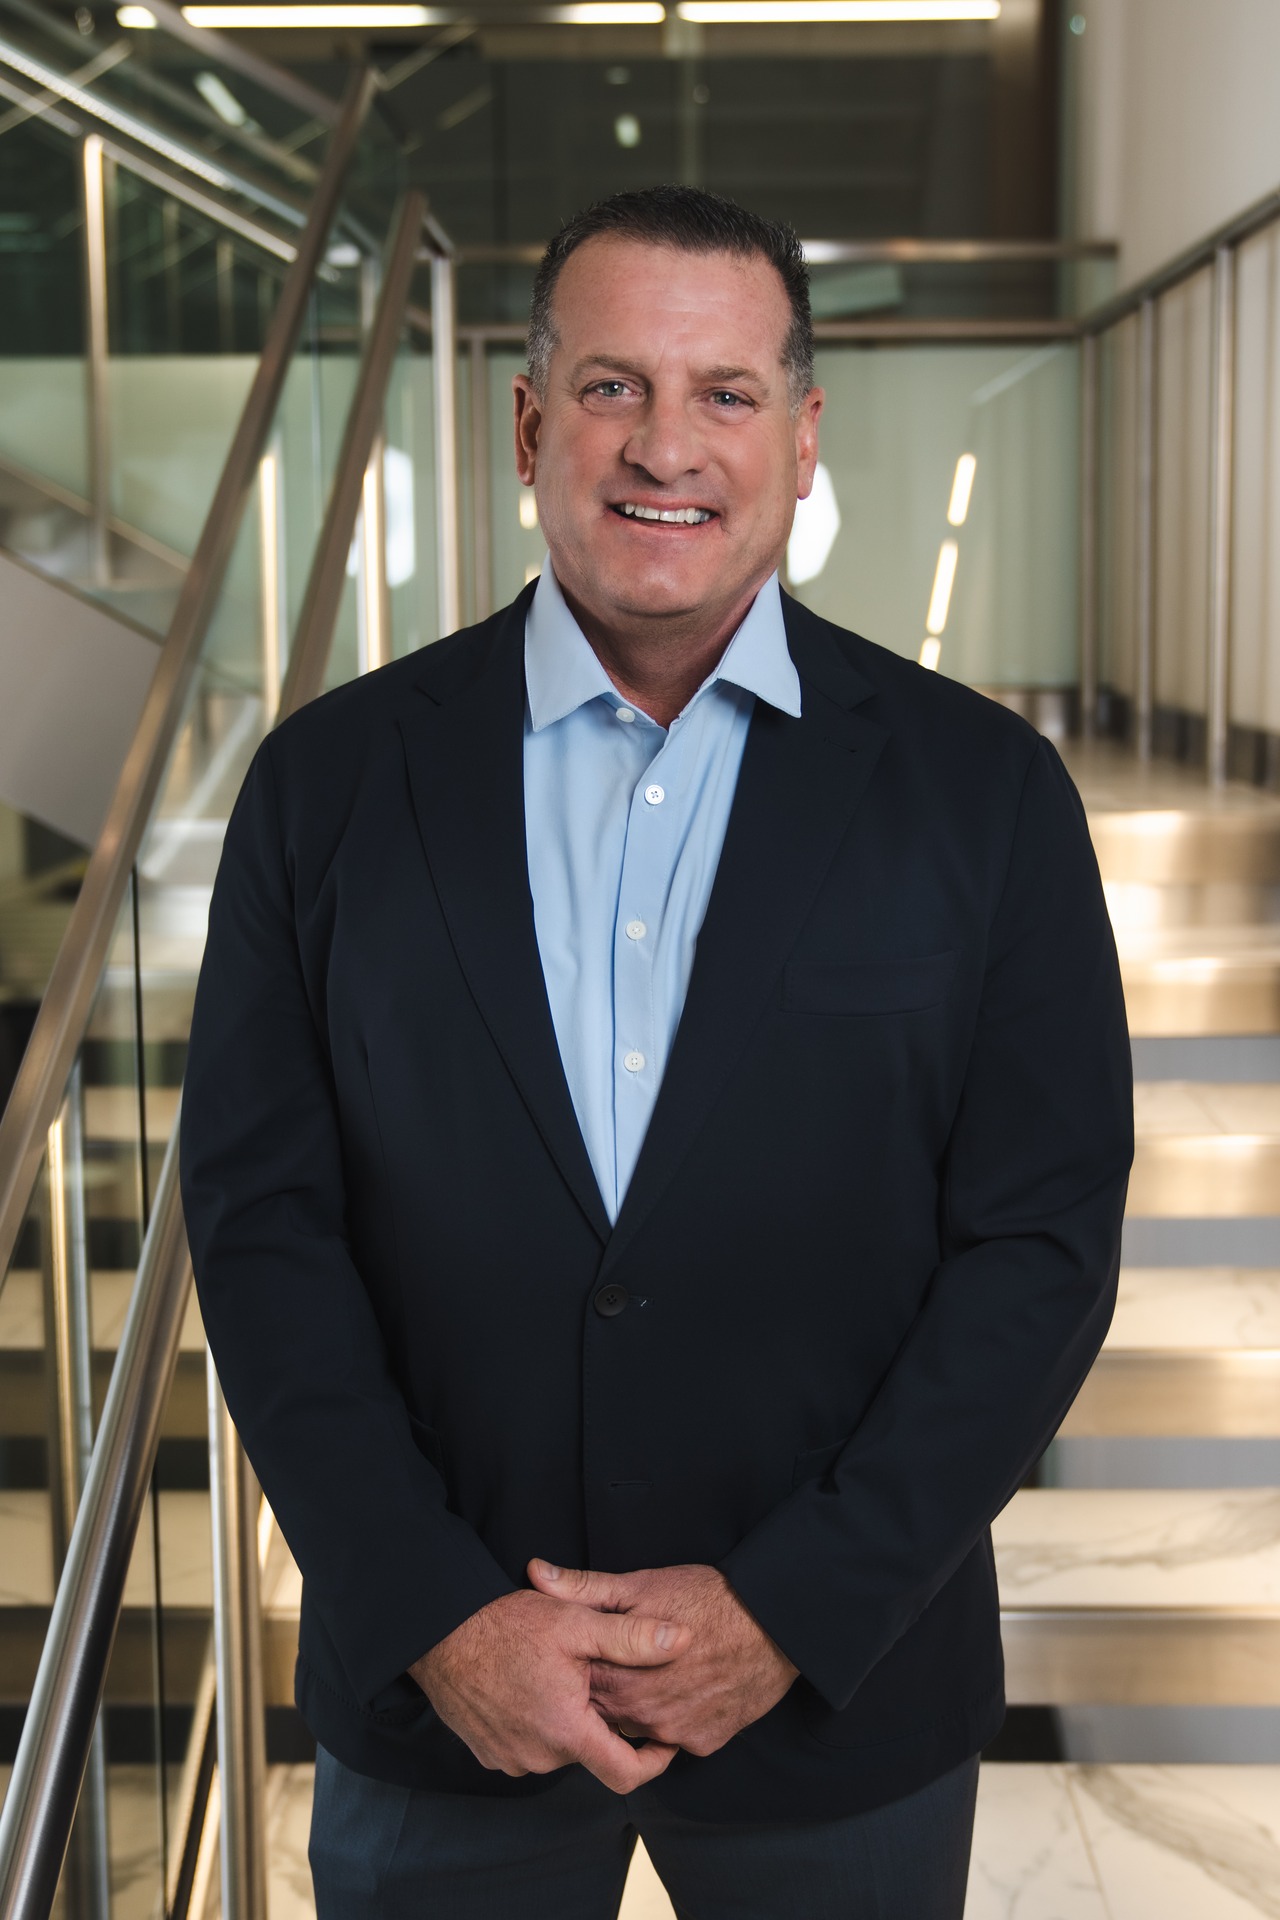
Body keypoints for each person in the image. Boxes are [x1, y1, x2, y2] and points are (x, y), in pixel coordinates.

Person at [179, 185, 1134, 1919]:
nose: (665, 447)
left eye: (726, 393)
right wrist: (441, 1612)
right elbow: (260, 1230)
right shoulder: (325, 788)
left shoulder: (985, 796)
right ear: (532, 423)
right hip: (443, 1703)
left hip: (842, 1696)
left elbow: (1041, 1251)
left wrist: (789, 1611)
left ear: (803, 434)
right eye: (614, 387)